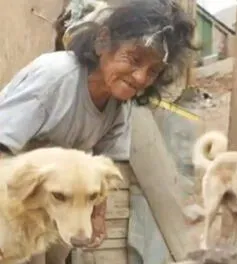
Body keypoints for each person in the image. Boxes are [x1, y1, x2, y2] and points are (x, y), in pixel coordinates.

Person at [0, 1, 196, 263]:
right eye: (134, 59)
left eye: (153, 71)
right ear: (103, 41)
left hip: (58, 211)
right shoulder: (54, 77)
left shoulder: (120, 106)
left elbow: (106, 168)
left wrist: (98, 215)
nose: (140, 77)